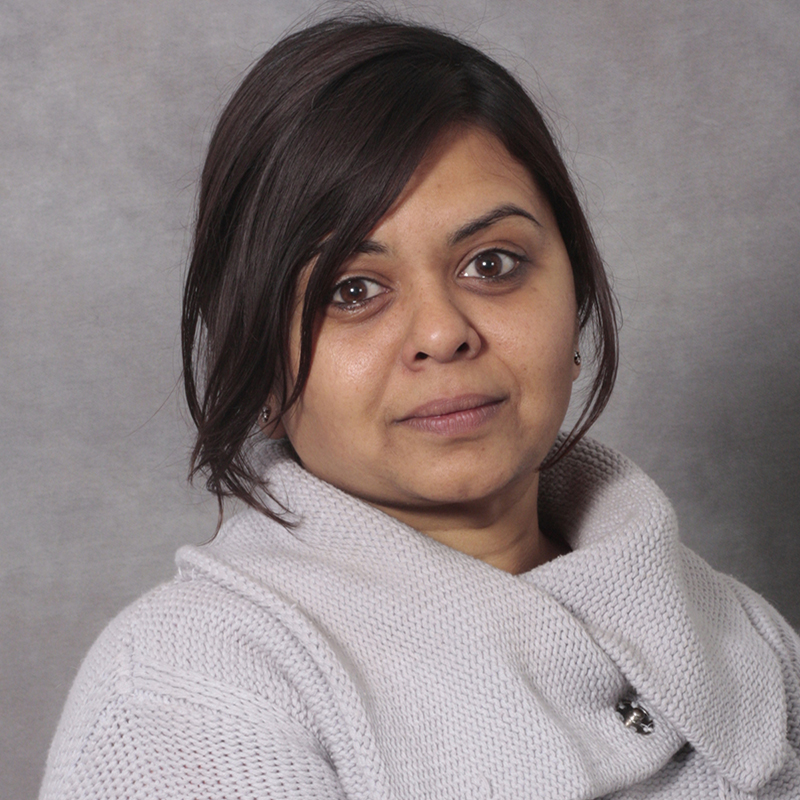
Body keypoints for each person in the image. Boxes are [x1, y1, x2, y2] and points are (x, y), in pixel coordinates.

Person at [40, 14, 800, 800]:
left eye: (492, 263)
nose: (442, 333)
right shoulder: (191, 691)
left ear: (573, 305)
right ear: (262, 366)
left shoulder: (742, 632)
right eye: (353, 290)